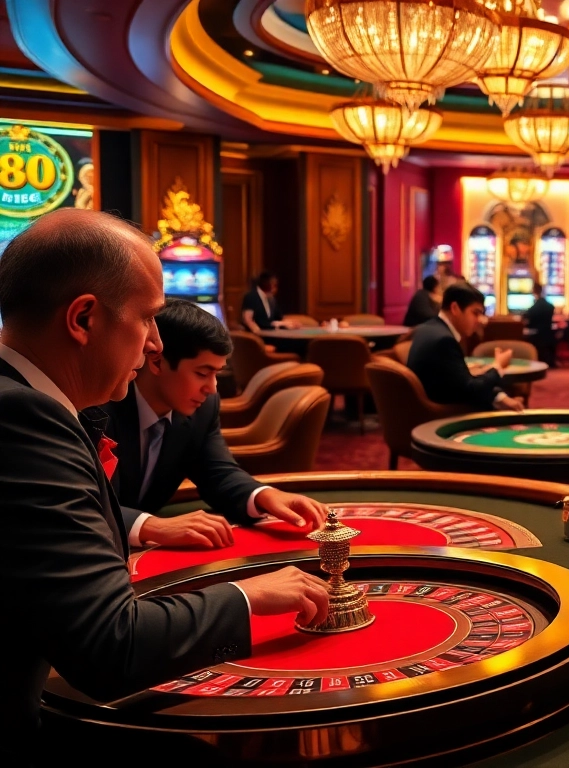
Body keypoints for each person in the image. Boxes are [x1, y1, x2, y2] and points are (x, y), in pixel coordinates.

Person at [0, 209, 328, 754]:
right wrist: (249, 596)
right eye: (148, 319)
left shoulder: (30, 401)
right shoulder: (26, 423)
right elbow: (111, 647)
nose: (155, 344)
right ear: (83, 319)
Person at [96, 298, 329, 548]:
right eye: (202, 373)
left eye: (217, 373)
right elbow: (77, 503)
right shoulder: (96, 408)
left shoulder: (203, 408)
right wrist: (150, 525)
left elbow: (217, 472)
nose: (212, 388)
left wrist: (265, 496)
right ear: (156, 361)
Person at [406, 282, 525, 412]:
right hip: (440, 416)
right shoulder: (444, 341)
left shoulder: (428, 328)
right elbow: (470, 390)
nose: (480, 320)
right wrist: (498, 366)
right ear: (455, 308)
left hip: (432, 407)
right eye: (475, 313)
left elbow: (458, 384)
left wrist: (499, 397)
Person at [522, 283, 557, 366]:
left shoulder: (535, 307)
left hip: (536, 334)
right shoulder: (550, 306)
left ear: (533, 291)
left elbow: (526, 318)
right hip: (548, 333)